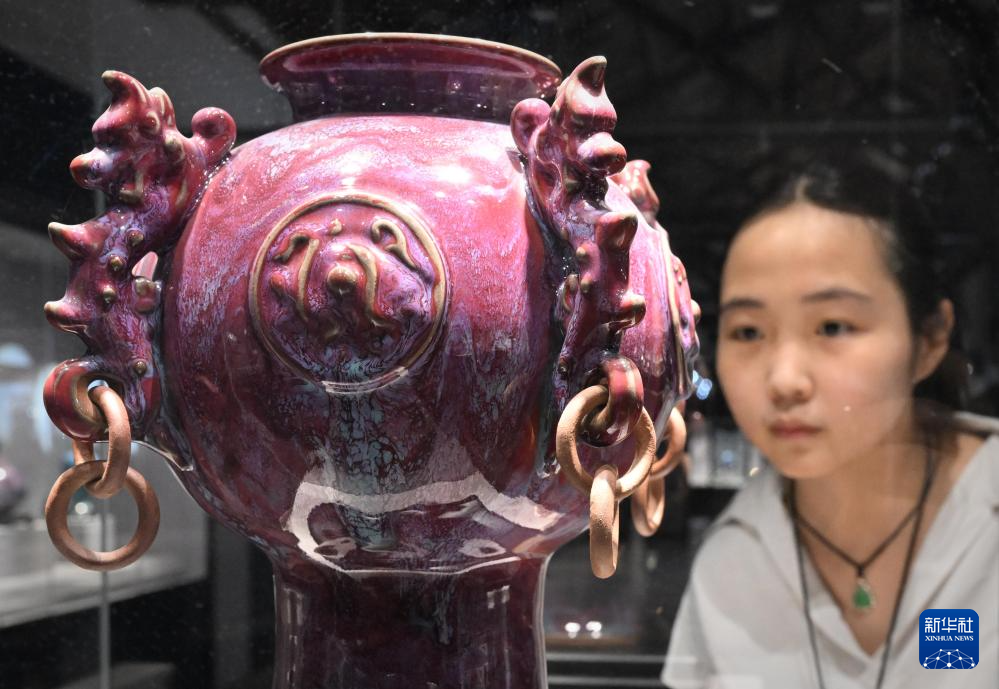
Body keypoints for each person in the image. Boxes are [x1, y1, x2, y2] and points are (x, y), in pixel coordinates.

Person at [661, 154, 997, 688]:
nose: (784, 380)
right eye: (748, 332)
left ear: (931, 338)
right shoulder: (731, 563)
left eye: (833, 326)